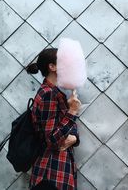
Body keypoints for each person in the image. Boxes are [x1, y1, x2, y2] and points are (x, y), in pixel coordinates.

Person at [26, 48, 81, 190]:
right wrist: (73, 111)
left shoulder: (55, 93)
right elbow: (52, 138)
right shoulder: (48, 94)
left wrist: (74, 137)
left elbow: (65, 127)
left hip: (56, 171)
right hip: (51, 174)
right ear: (52, 67)